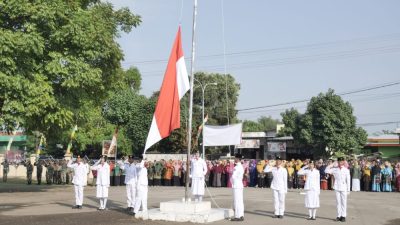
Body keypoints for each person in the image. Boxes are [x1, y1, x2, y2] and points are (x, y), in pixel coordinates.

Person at [325, 157, 351, 222]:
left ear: (343, 162)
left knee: (344, 202)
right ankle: (339, 215)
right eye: (339, 161)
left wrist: (348, 189)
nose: (340, 163)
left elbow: (348, 180)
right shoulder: (335, 169)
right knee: (338, 202)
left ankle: (343, 216)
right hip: (337, 187)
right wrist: (333, 164)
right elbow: (326, 170)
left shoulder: (346, 170)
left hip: (343, 187)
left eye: (341, 161)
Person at [230, 153, 244, 222]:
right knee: (240, 201)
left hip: (236, 185)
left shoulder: (237, 167)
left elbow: (233, 177)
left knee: (237, 201)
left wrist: (231, 182)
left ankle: (237, 216)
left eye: (235, 158)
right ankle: (241, 215)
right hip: (240, 185)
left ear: (238, 159)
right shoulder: (241, 166)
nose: (234, 159)